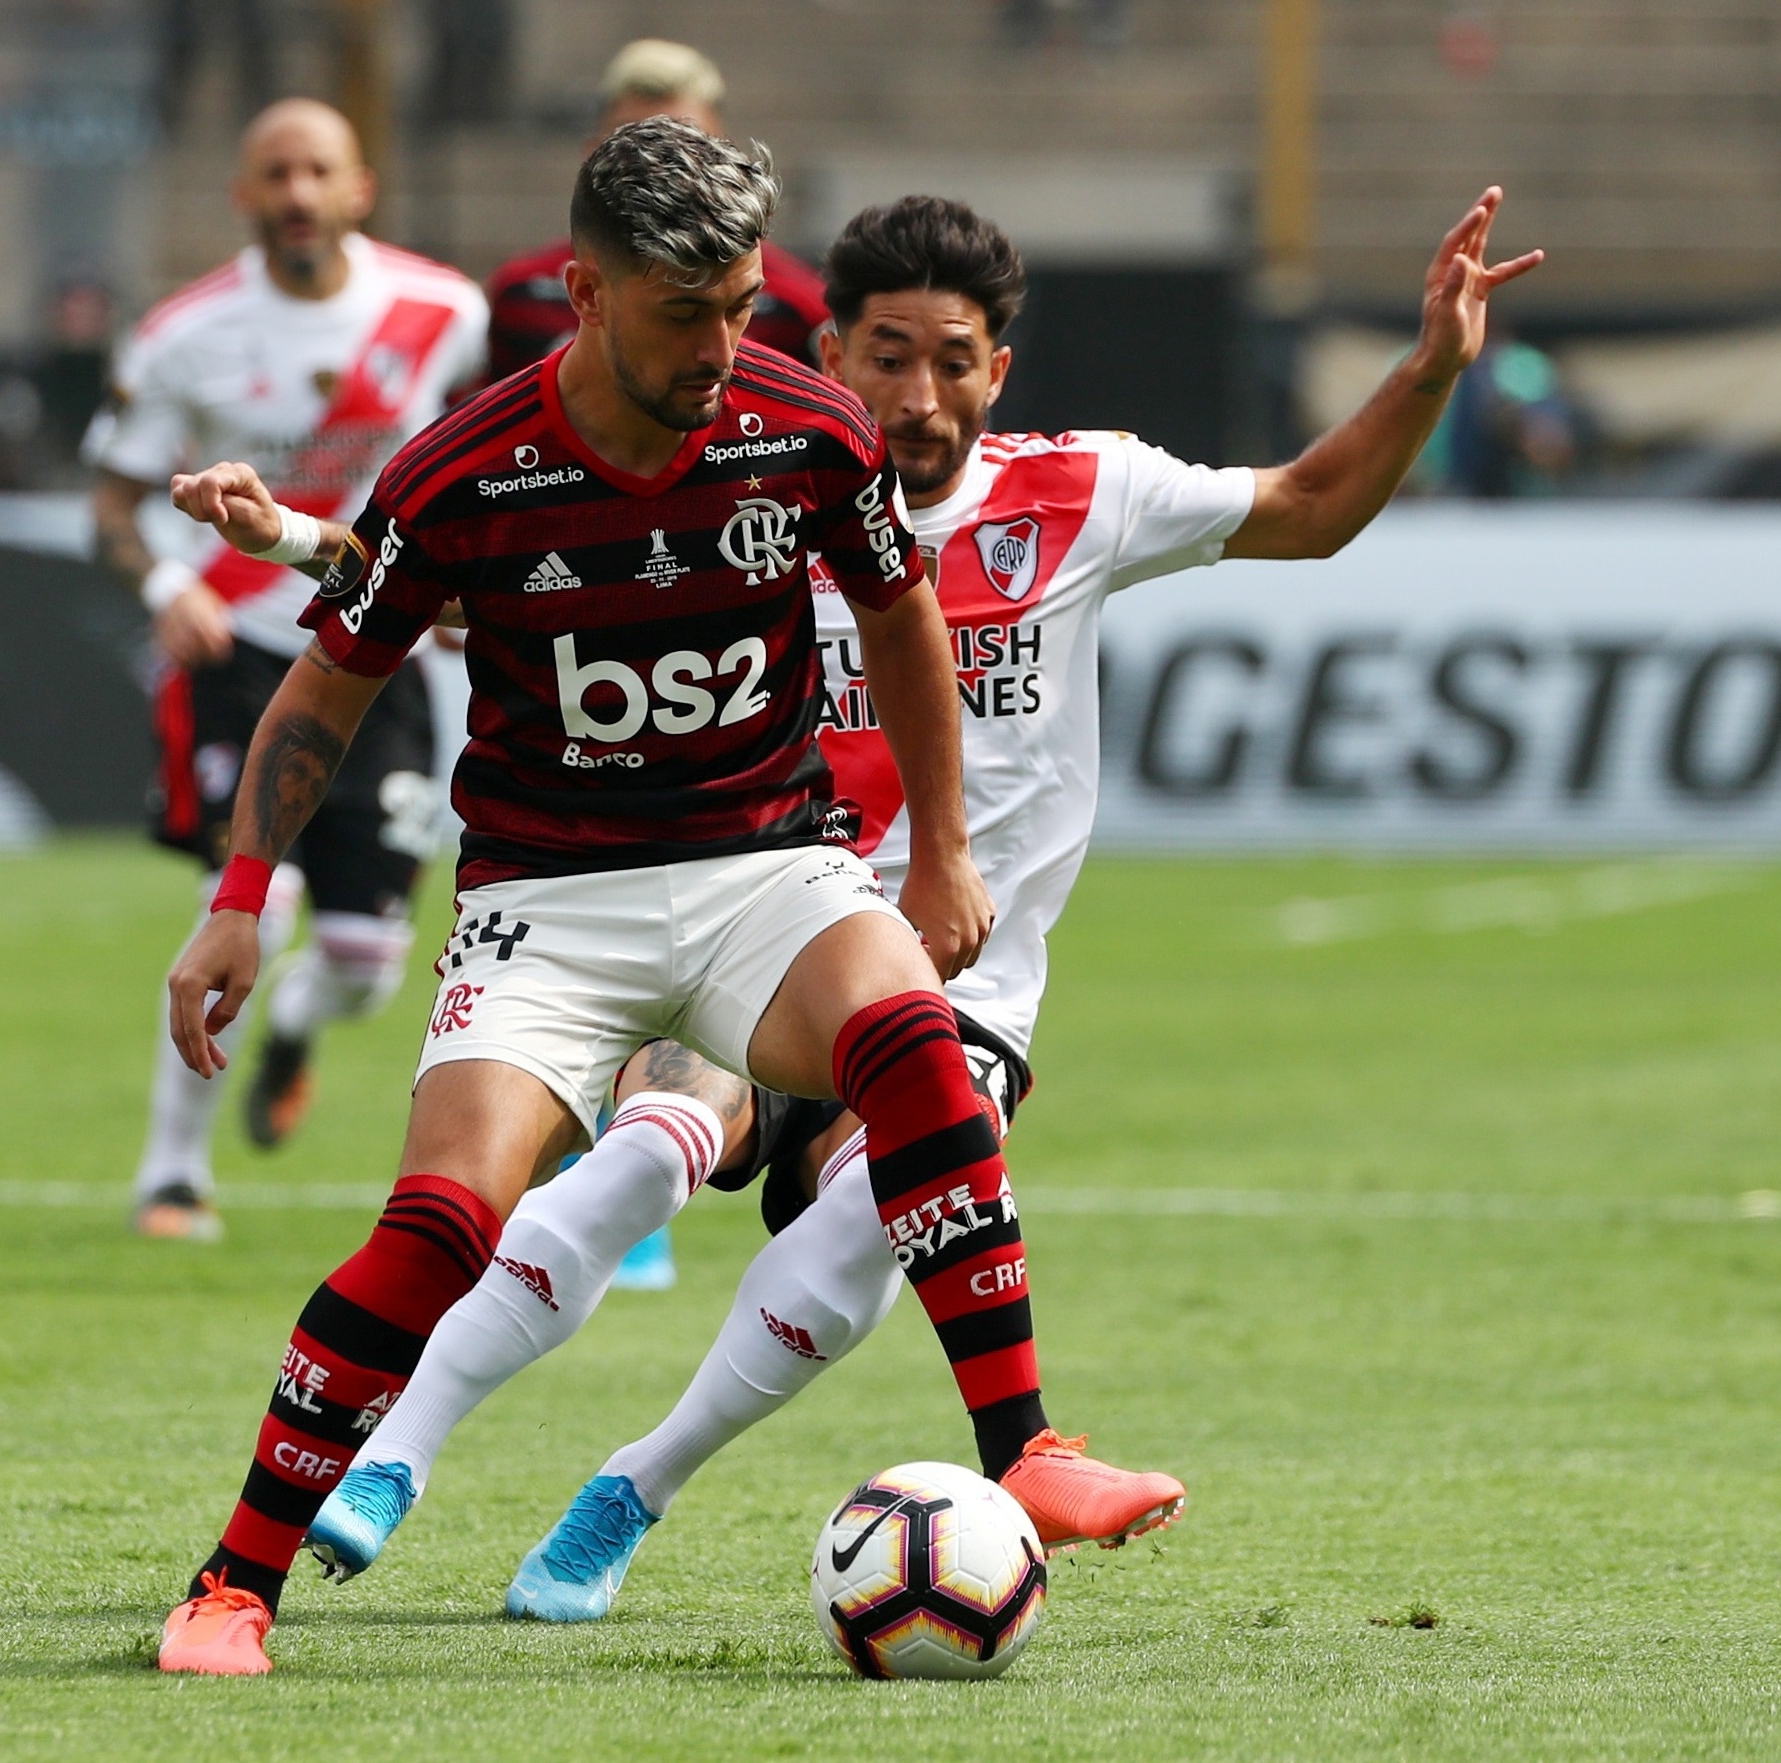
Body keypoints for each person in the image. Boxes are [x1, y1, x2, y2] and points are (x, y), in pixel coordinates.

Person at [302, 186, 1546, 1621]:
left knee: (885, 1211)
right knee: (654, 1141)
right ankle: (394, 1450)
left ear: (994, 369)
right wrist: (299, 539)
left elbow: (1311, 506)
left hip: (959, 980)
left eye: (950, 357)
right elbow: (489, 583)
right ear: (825, 351)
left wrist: (1431, 367)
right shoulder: (743, 477)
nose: (916, 391)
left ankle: (630, 1486)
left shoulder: (1079, 493)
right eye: (885, 354)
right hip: (753, 910)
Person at [152, 117, 1170, 1677]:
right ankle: (232, 1585)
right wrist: (238, 897)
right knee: (437, 1221)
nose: (720, 345)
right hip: (547, 898)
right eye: (683, 309)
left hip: (767, 865)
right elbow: (322, 694)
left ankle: (1025, 1442)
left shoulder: (804, 427)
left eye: (742, 305)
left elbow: (901, 623)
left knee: (913, 1039)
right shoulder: (465, 468)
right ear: (585, 291)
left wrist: (946, 849)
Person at [82, 99, 487, 1240]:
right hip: (239, 655)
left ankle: (299, 1023)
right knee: (256, 894)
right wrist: (166, 585)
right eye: (275, 173)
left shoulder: (441, 312)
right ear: (242, 195)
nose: (296, 192)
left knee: (364, 961)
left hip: (376, 650)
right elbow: (112, 502)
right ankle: (170, 1173)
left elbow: (471, 467)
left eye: (317, 171)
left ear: (359, 187)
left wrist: (465, 597)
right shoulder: (182, 333)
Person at [483, 35, 833, 1292]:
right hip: (553, 635)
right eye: (638, 127)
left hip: (716, 651)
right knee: (558, 912)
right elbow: (484, 461)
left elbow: (818, 458)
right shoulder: (523, 292)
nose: (719, 340)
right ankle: (542, 1169)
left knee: (723, 918)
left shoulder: (787, 299)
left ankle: (642, 1178)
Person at [482, 39, 828, 381]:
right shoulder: (521, 295)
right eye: (633, 148)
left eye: (687, 147)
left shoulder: (797, 303)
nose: (658, 170)